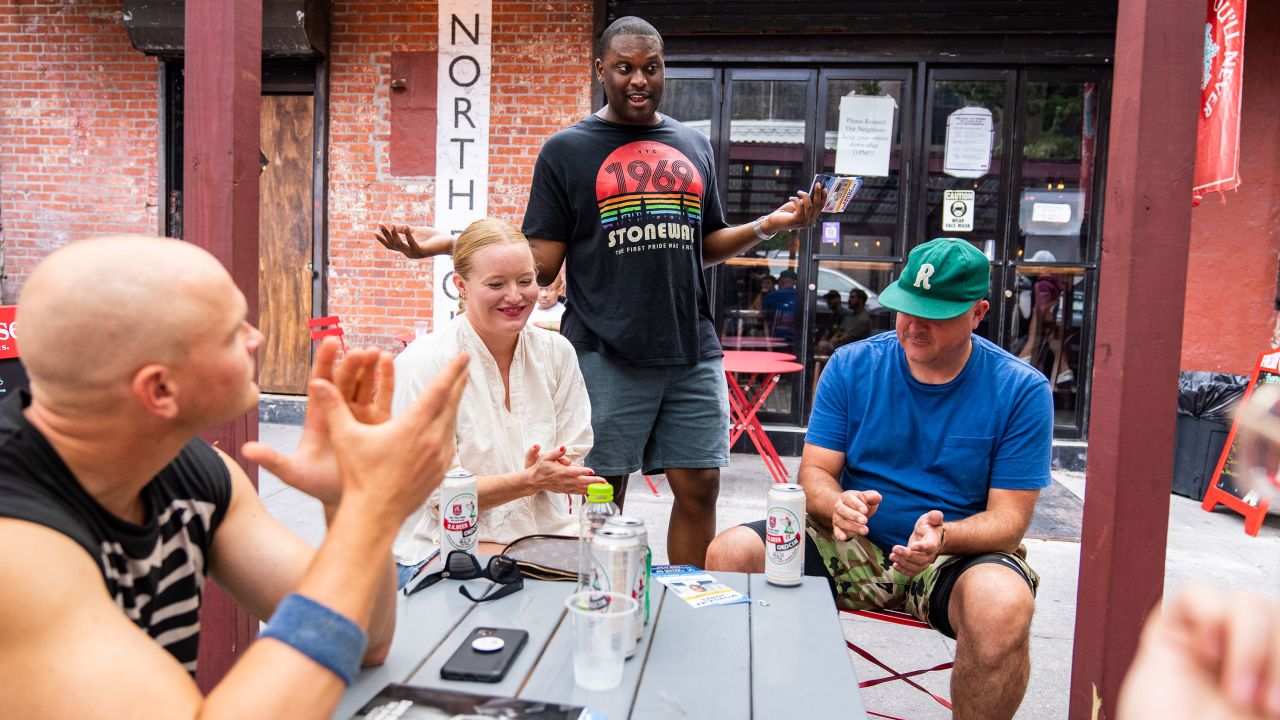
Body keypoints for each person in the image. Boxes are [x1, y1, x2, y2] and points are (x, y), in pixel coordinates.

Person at [373, 16, 824, 565]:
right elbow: (538, 258)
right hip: (606, 347)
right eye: (625, 68)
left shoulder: (692, 145)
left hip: (690, 345)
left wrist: (769, 226)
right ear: (601, 71)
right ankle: (599, 596)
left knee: (701, 485)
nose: (640, 79)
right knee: (599, 490)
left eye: (651, 68)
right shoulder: (567, 151)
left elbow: (700, 244)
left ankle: (685, 605)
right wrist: (451, 245)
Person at [0, 235, 469, 718]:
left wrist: (350, 500)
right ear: (160, 389)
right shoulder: (15, 542)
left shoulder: (191, 472)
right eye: (230, 333)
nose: (256, 337)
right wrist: (371, 513)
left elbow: (362, 638)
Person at [706, 237, 1053, 720]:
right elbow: (816, 473)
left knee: (1003, 604)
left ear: (978, 313)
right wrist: (836, 502)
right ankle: (762, 709)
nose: (914, 325)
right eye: (907, 307)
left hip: (952, 555)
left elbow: (1009, 522)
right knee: (730, 552)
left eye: (934, 312)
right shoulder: (853, 365)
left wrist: (943, 536)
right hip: (851, 541)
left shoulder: (1020, 389)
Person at [392, 219, 595, 587]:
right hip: (441, 551)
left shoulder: (557, 351)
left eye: (525, 281)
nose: (515, 296)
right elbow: (436, 492)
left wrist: (552, 474)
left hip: (546, 543)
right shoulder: (425, 363)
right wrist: (529, 481)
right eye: (496, 284)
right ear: (461, 286)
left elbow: (575, 452)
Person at [763, 268, 799, 342]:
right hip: (797, 338)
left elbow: (763, 314)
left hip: (775, 337)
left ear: (781, 281)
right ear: (795, 282)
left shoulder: (772, 295)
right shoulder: (802, 296)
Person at [529, 267, 566, 332]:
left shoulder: (564, 312)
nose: (544, 295)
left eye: (550, 290)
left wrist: (540, 325)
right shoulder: (528, 309)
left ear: (560, 290)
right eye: (540, 289)